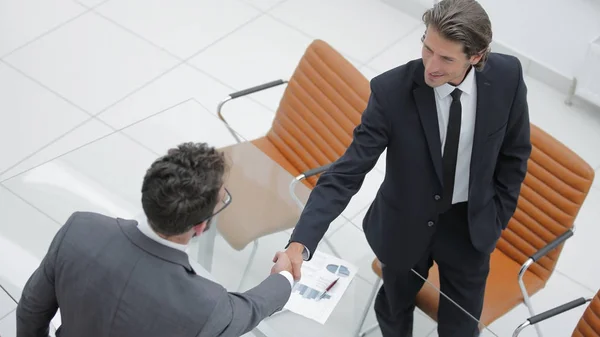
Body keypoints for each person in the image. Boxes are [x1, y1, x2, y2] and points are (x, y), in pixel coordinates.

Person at [281, 0, 532, 336]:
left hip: (470, 227)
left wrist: (497, 215)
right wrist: (300, 243)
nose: (430, 65)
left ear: (476, 57)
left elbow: (515, 154)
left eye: (446, 58)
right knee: (394, 307)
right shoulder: (391, 92)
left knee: (461, 327)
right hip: (403, 225)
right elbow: (347, 172)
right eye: (427, 49)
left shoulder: (508, 77)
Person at [17, 142, 294, 337]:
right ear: (199, 227)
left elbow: (31, 310)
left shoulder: (79, 229)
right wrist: (284, 278)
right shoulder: (207, 305)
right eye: (223, 200)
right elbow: (250, 309)